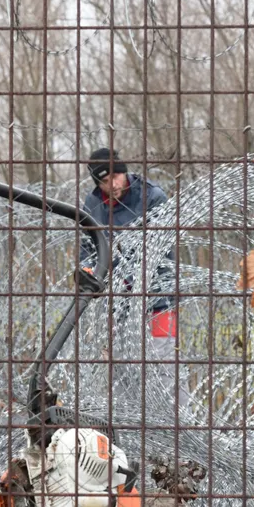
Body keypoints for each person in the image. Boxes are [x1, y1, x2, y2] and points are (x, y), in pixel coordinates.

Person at [79, 147, 187, 406]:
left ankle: (181, 426)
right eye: (105, 181)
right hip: (116, 302)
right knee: (121, 367)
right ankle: (129, 426)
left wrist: (122, 260)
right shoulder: (93, 205)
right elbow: (87, 249)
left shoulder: (152, 197)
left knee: (165, 364)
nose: (113, 184)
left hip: (158, 296)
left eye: (117, 176)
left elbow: (159, 249)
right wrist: (88, 272)